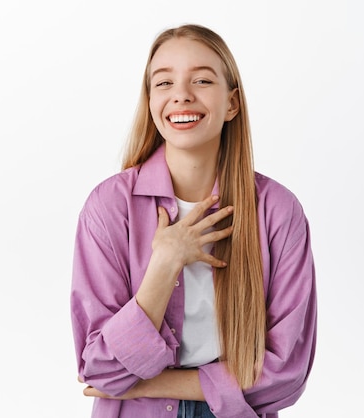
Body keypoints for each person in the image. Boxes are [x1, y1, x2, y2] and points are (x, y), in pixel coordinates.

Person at [70, 24, 317, 418]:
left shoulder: (278, 212)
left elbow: (286, 373)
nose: (181, 94)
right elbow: (98, 366)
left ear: (232, 103)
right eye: (163, 82)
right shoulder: (109, 208)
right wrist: (165, 264)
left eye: (201, 80)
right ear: (151, 101)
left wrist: (150, 384)